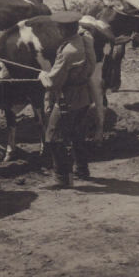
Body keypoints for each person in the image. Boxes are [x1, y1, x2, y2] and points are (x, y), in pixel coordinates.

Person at [38, 12, 99, 188]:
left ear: (63, 29)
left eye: (59, 27)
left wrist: (42, 75)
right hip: (84, 96)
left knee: (53, 136)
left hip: (68, 99)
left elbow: (53, 82)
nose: (57, 30)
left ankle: (62, 177)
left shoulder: (67, 52)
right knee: (77, 134)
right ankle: (82, 169)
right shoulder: (86, 40)